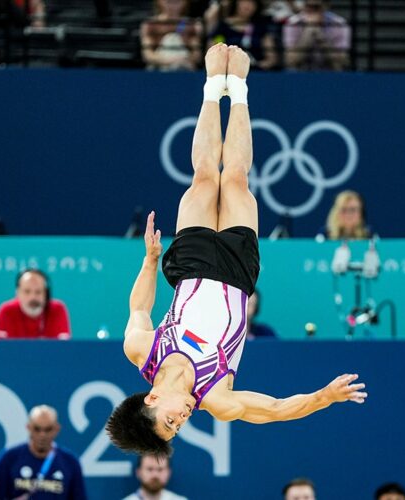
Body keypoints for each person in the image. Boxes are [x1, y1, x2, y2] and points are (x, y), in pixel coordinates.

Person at [105, 44, 367, 456]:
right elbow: (277, 410)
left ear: (151, 400)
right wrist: (324, 397)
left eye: (171, 421)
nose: (183, 419)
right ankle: (240, 87)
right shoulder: (218, 397)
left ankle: (213, 84)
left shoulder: (142, 352)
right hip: (236, 274)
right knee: (238, 180)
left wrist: (151, 261)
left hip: (188, 266)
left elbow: (139, 310)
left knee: (206, 177)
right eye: (179, 428)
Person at [0, 405, 87, 500]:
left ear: (57, 429)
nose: (42, 435)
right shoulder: (9, 458)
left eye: (48, 429)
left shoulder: (70, 462)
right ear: (28, 427)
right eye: (37, 429)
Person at [0, 269, 71, 340]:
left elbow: (63, 348)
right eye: (27, 291)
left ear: (46, 294)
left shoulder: (57, 309)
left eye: (38, 292)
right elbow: (1, 349)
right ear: (18, 293)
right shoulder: (7, 311)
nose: (33, 297)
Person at [205, 0, 278, 69]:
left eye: (251, 2)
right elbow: (214, 50)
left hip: (255, 72)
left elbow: (271, 58)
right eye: (243, 1)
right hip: (228, 71)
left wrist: (257, 65)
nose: (247, 5)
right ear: (236, 3)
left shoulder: (260, 27)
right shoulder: (222, 28)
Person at [283, 0, 351, 70]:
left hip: (330, 73)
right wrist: (309, 30)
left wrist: (321, 36)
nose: (311, 10)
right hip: (300, 75)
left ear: (326, 7)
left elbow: (342, 61)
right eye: (308, 6)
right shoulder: (293, 23)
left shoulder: (338, 24)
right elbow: (291, 61)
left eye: (316, 7)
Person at [141, 0, 203, 71]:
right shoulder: (150, 24)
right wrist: (170, 61)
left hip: (183, 66)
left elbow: (196, 55)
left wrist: (181, 61)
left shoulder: (193, 25)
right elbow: (147, 55)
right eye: (169, 1)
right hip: (158, 68)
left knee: (174, 40)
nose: (172, 2)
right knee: (169, 39)